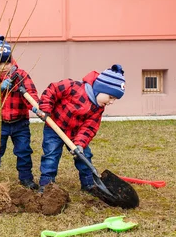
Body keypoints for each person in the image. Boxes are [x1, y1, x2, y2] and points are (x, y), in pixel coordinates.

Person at [32, 64, 126, 193]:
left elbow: (89, 127)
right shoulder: (73, 87)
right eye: (110, 97)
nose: (111, 102)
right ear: (100, 89)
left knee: (84, 156)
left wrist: (80, 144)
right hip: (54, 127)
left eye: (114, 99)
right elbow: (52, 90)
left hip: (75, 134)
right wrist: (45, 109)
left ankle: (89, 184)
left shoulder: (98, 109)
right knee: (51, 155)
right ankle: (46, 184)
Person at [0, 35, 39, 190]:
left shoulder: (21, 75)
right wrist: (0, 88)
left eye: (7, 61)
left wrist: (35, 106)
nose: (4, 66)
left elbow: (30, 93)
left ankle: (26, 178)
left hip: (20, 122)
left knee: (24, 151)